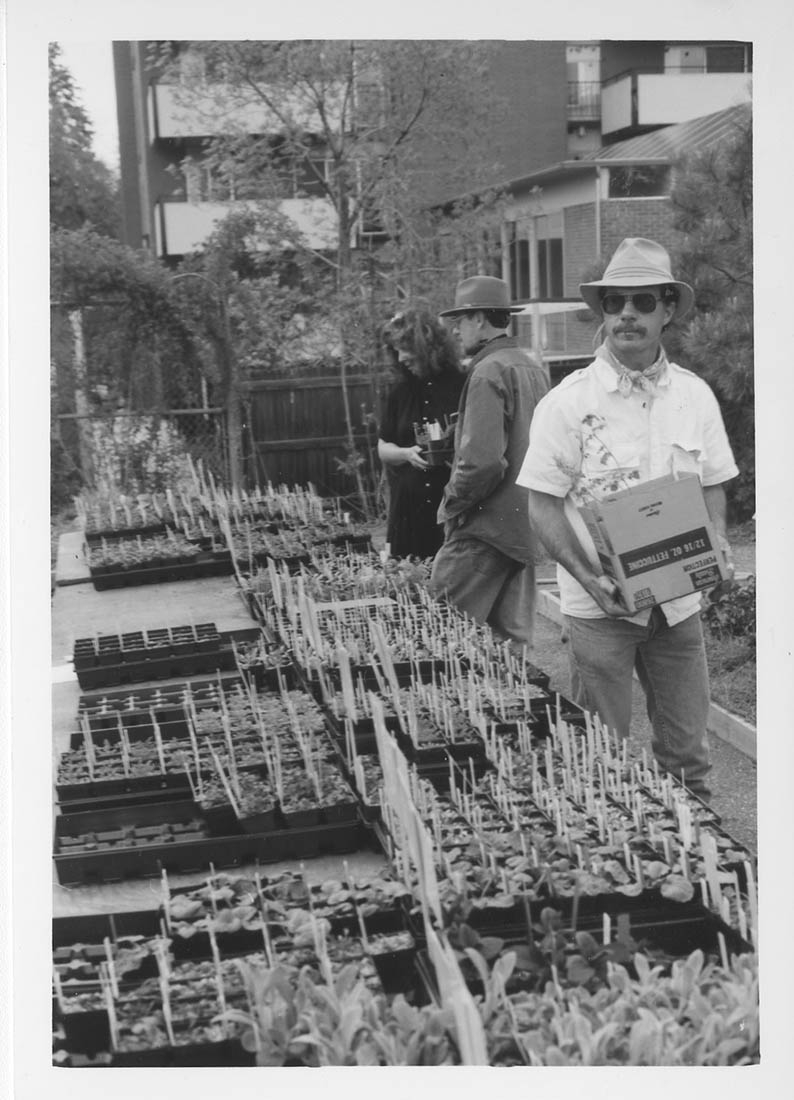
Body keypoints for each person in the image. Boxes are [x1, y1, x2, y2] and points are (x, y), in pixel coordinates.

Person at [517, 237, 738, 800]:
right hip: (600, 609)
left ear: (667, 309)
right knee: (599, 760)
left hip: (678, 606)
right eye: (615, 303)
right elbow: (541, 504)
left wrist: (716, 545)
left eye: (642, 303)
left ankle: (699, 870)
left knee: (689, 758)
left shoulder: (695, 395)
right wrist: (591, 580)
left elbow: (712, 483)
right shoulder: (567, 403)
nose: (626, 315)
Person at [430, 275, 550, 649]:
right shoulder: (532, 368)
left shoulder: (488, 371)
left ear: (479, 319)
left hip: (484, 531)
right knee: (508, 653)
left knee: (440, 640)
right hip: (525, 530)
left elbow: (482, 464)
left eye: (460, 321)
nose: (456, 330)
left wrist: (451, 505)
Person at [377, 308, 466, 559]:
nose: (401, 357)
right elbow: (383, 447)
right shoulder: (400, 392)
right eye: (396, 349)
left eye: (406, 348)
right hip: (408, 510)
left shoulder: (463, 384)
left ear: (428, 347)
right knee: (408, 583)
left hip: (450, 508)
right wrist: (406, 454)